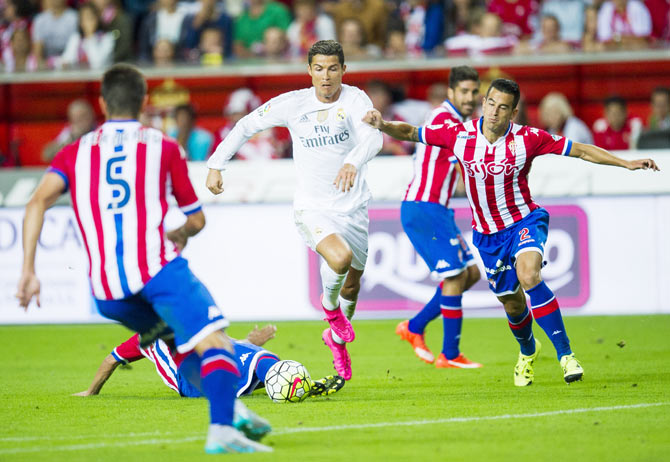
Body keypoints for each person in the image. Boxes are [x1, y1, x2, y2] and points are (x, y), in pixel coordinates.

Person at [16, 64, 272, 454]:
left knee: (180, 347)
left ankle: (232, 410)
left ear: (102, 103)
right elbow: (196, 219)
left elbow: (36, 202)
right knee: (216, 341)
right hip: (156, 271)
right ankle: (222, 431)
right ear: (144, 102)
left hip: (107, 292)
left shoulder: (73, 153)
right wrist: (181, 234)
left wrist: (29, 270)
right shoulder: (164, 147)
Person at [364, 78, 659, 386]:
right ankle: (528, 350)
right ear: (484, 103)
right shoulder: (460, 135)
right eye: (490, 104)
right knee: (513, 304)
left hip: (524, 220)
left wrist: (626, 163)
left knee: (529, 275)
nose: (494, 112)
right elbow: (411, 132)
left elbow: (581, 151)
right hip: (488, 237)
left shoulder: (528, 138)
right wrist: (382, 124)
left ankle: (566, 356)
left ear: (513, 112)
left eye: (503, 107)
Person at [206, 40, 383, 381]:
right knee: (340, 259)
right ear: (309, 71)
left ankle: (335, 339)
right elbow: (245, 126)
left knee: (352, 285)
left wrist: (351, 161)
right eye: (319, 69)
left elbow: (372, 138)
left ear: (343, 70)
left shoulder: (356, 99)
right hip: (313, 207)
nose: (326, 76)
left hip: (353, 207)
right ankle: (330, 313)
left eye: (333, 68)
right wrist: (216, 164)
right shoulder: (293, 104)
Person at [395, 66, 482, 369]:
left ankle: (415, 327)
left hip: (438, 209)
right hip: (423, 206)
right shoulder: (445, 120)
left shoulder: (460, 122)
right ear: (451, 92)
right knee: (455, 276)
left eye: (475, 92)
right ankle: (450, 354)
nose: (471, 98)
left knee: (470, 275)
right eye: (465, 92)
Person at [75, 324, 345, 400]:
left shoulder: (193, 318)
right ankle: (294, 383)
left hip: (212, 364)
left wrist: (250, 341)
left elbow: (219, 345)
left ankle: (294, 384)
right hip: (189, 381)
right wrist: (91, 391)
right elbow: (111, 360)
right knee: (248, 356)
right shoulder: (145, 337)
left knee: (246, 353)